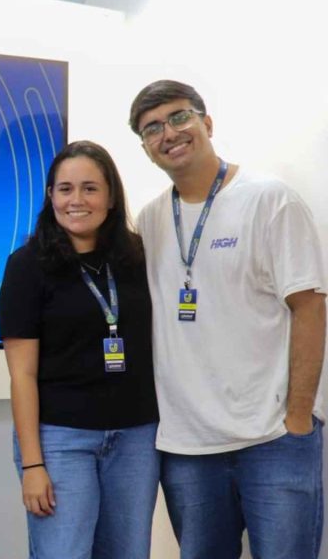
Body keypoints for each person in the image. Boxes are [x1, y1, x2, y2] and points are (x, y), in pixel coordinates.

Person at [129, 79, 326, 558]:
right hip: (188, 448)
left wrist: (299, 416)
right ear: (146, 149)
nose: (168, 133)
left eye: (179, 117)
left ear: (208, 123)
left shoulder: (269, 199)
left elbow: (310, 307)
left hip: (273, 437)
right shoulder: (150, 220)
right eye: (152, 128)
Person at [0, 141, 160, 559]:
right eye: (65, 189)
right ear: (50, 195)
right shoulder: (27, 266)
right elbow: (22, 375)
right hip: (60, 440)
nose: (77, 200)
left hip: (136, 437)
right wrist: (33, 464)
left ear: (110, 197)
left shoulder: (139, 258)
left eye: (90, 188)